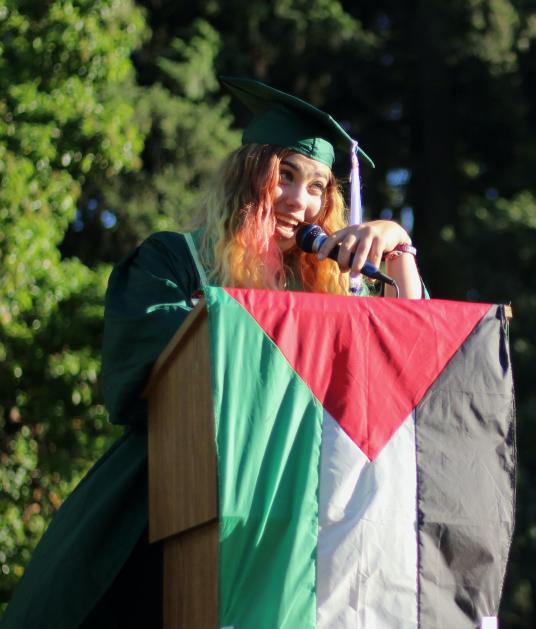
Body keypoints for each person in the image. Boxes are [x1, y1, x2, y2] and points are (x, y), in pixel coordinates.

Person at [0, 76, 420, 628]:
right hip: (164, 507)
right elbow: (139, 359)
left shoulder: (327, 289)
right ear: (248, 178)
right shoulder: (175, 261)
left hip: (287, 523)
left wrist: (397, 247)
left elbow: (410, 358)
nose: (301, 200)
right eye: (285, 176)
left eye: (318, 187)